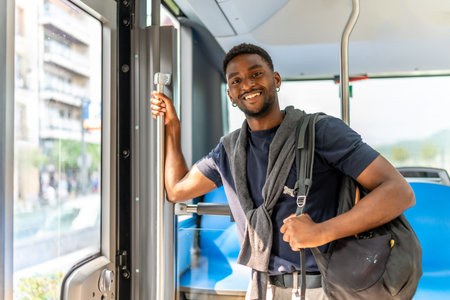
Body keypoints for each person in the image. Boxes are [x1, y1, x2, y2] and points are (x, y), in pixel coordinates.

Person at [150, 43, 415, 300]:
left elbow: (399, 192)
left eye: (256, 74)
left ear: (275, 79)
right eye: (236, 81)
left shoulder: (321, 132)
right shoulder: (228, 151)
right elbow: (176, 190)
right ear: (230, 94)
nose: (247, 85)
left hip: (323, 285)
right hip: (262, 286)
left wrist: (322, 231)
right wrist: (173, 128)